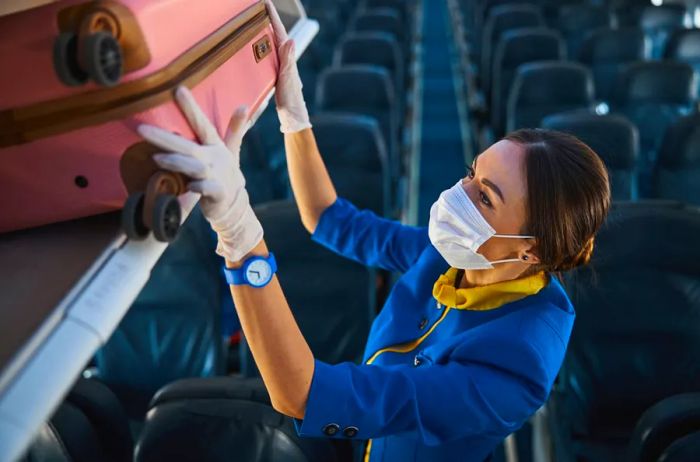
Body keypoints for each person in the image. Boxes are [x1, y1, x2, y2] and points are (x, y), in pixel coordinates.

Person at [136, 2, 611, 460]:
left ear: (531, 251)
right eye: (471, 172)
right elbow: (328, 217)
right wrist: (293, 115)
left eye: (485, 196)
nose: (457, 195)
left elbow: (302, 394)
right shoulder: (450, 254)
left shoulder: (517, 365)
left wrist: (237, 231)